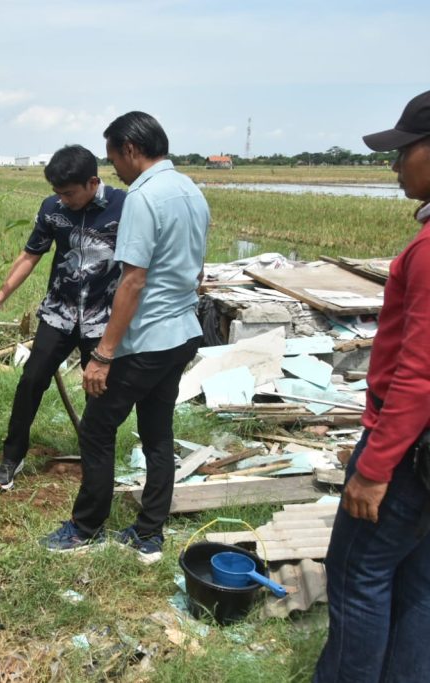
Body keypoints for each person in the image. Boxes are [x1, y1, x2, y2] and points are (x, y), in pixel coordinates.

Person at [41, 112, 209, 563]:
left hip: (148, 337)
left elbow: (133, 281)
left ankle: (84, 527)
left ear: (131, 150)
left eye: (114, 156)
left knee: (96, 428)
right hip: (184, 332)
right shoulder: (191, 190)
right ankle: (149, 535)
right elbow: (195, 268)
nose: (114, 168)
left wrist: (103, 354)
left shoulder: (143, 197)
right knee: (157, 432)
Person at [314, 90, 430, 682]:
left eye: (404, 150)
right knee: (417, 581)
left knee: (358, 575)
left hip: (409, 452)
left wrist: (375, 466)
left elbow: (420, 373)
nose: (395, 164)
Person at [0, 145, 125, 490]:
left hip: (102, 319)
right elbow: (31, 255)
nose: (63, 199)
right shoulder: (53, 209)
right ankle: (12, 456)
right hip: (59, 313)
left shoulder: (124, 207)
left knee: (98, 394)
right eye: (57, 192)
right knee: (30, 382)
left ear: (92, 182)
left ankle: (96, 465)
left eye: (69, 193)